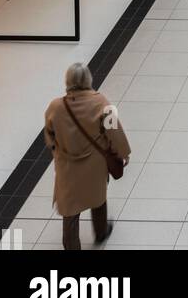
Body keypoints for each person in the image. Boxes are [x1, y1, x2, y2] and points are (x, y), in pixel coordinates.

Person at [44, 62, 130, 249]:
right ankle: (101, 232)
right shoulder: (101, 102)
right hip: (94, 164)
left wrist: (55, 148)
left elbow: (49, 133)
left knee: (70, 209)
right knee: (97, 197)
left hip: (67, 166)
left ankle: (71, 245)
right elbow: (114, 130)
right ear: (88, 79)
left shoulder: (56, 107)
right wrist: (124, 153)